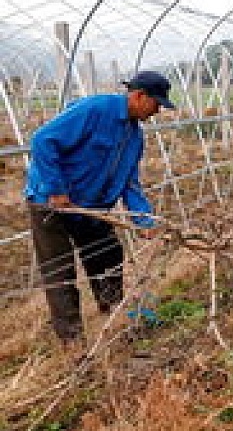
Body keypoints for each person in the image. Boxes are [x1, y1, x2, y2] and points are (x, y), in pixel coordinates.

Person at [24, 70, 174, 343]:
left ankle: (113, 319)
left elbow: (129, 183)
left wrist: (145, 222)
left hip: (91, 207)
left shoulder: (135, 137)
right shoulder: (95, 110)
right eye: (156, 104)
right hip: (51, 204)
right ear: (139, 96)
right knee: (60, 272)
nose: (157, 112)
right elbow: (43, 141)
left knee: (108, 255)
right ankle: (73, 342)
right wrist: (56, 190)